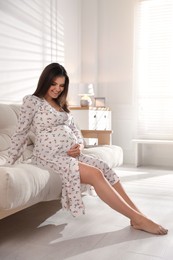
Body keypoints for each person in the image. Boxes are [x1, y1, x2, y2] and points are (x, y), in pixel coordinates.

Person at [8, 62, 168, 235]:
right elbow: (20, 133)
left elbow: (76, 131)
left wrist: (80, 146)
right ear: (45, 81)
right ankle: (139, 220)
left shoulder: (61, 105)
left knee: (104, 168)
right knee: (95, 174)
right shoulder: (32, 102)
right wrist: (9, 161)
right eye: (53, 84)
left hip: (71, 155)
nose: (57, 89)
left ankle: (138, 215)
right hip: (50, 157)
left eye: (61, 85)